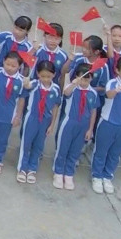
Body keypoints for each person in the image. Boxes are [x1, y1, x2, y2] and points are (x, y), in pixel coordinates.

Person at [91, 57, 121, 194]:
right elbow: (109, 95)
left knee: (115, 153)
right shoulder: (112, 83)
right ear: (117, 70)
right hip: (108, 123)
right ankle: (96, 176)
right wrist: (117, 90)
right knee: (101, 151)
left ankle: (107, 176)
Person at [50, 62, 99, 190]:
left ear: (91, 78)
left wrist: (90, 129)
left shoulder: (93, 93)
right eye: (82, 78)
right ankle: (58, 172)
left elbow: (93, 111)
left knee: (75, 150)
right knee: (63, 148)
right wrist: (74, 83)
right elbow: (66, 92)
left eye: (87, 79)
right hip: (69, 122)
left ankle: (69, 173)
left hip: (83, 125)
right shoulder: (73, 89)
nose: (84, 82)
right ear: (77, 76)